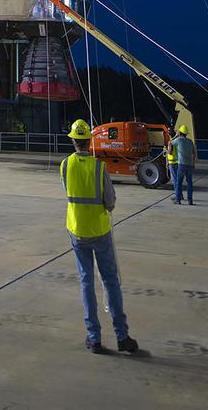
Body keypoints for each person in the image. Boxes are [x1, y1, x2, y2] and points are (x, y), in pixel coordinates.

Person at [61, 120, 140, 356]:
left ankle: (94, 337)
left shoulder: (65, 165)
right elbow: (110, 201)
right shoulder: (99, 167)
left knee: (86, 282)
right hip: (99, 229)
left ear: (73, 140)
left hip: (76, 229)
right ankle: (122, 336)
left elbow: (68, 191)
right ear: (90, 141)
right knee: (110, 281)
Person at [170, 124, 195, 205]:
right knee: (189, 182)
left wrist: (175, 136)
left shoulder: (178, 140)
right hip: (190, 165)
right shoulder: (190, 141)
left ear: (180, 133)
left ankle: (178, 200)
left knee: (179, 182)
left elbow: (170, 143)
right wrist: (193, 164)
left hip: (182, 165)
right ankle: (190, 200)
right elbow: (194, 153)